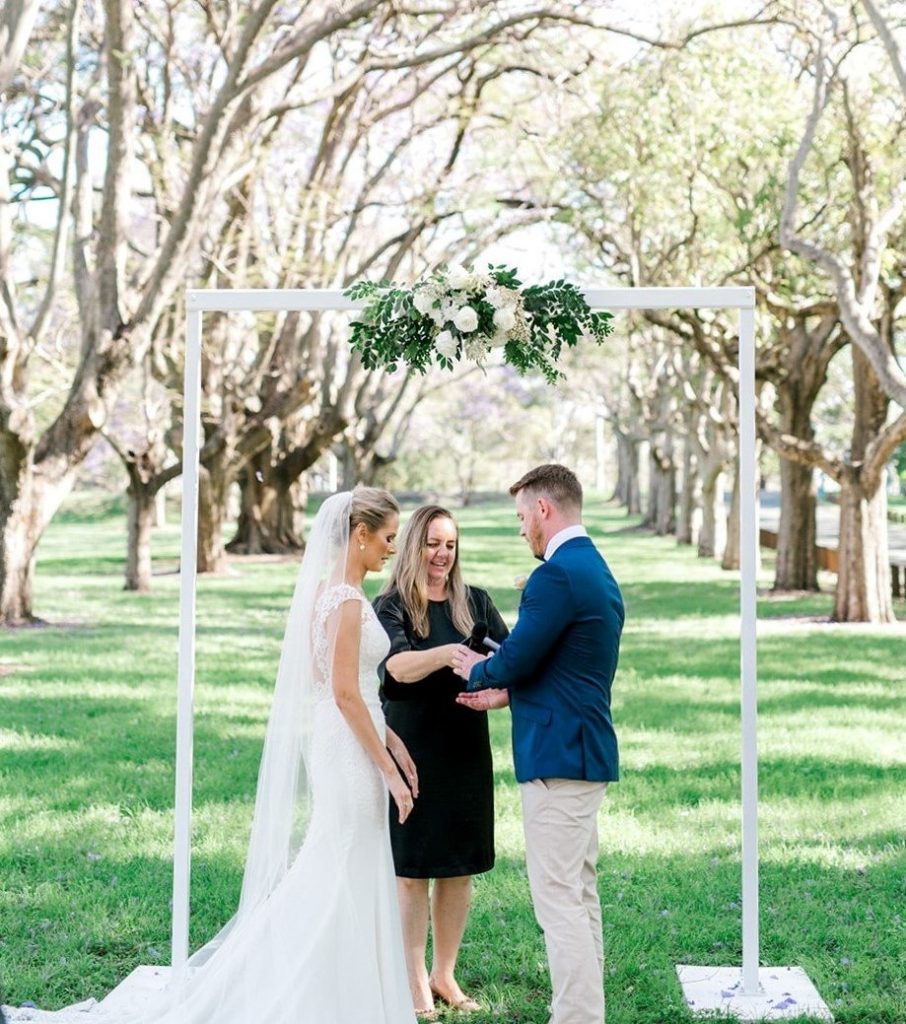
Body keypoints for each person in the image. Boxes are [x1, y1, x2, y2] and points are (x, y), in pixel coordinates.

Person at [5, 488, 419, 1024]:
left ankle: (342, 986)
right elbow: (342, 692)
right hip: (347, 750)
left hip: (346, 740)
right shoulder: (341, 600)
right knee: (337, 863)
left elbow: (349, 689)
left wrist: (392, 740)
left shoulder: (332, 594)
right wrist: (387, 768)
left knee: (344, 862)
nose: (392, 548)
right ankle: (312, 987)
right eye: (388, 537)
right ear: (360, 534)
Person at [452, 465, 624, 1024]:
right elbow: (563, 669)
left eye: (523, 516)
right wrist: (509, 693)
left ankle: (576, 1017)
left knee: (558, 903)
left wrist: (479, 670)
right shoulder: (594, 568)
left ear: (545, 510)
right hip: (582, 750)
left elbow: (520, 655)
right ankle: (585, 1013)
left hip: (559, 759)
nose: (522, 528)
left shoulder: (556, 575)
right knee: (578, 893)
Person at [373, 505, 508, 1019]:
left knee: (458, 868)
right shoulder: (391, 606)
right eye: (432, 543)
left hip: (465, 747)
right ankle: (413, 985)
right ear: (413, 545)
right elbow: (398, 668)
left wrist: (497, 684)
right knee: (413, 871)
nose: (442, 555)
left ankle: (443, 973)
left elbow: (511, 659)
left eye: (450, 545)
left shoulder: (475, 602)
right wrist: (452, 654)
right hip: (412, 748)